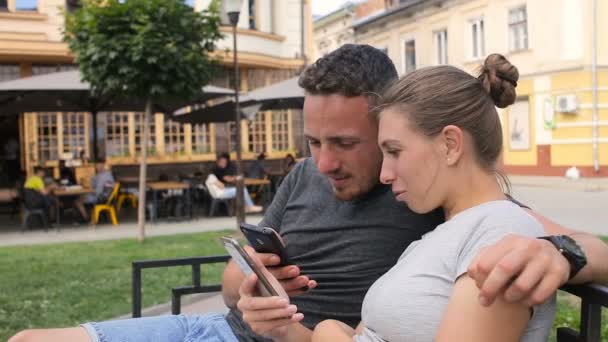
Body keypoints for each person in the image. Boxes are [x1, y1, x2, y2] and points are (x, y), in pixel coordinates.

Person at [10, 45, 608, 342]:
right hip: (231, 327)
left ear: (389, 130)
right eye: (313, 140)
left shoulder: (434, 202)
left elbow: (554, 238)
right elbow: (233, 280)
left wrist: (565, 253)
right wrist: (251, 287)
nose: (323, 162)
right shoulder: (306, 175)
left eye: (347, 143)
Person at [308, 55, 556, 341]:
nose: (385, 175)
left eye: (395, 151)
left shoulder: (500, 232)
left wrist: (328, 334)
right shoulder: (444, 233)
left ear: (450, 145)